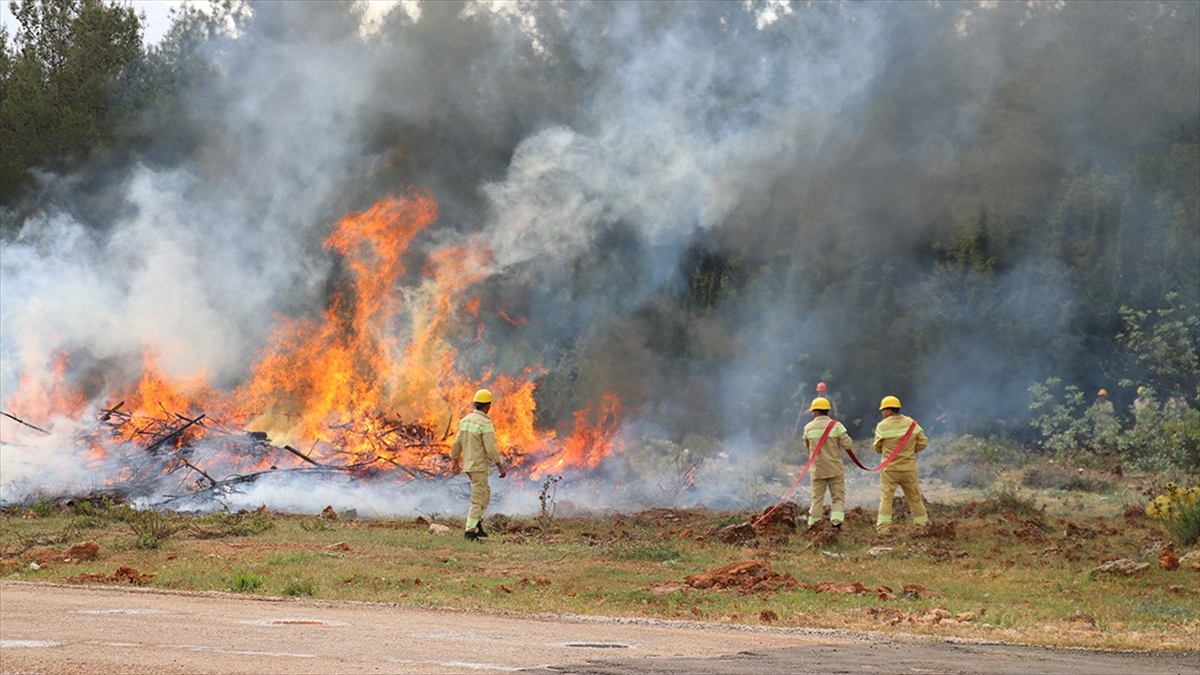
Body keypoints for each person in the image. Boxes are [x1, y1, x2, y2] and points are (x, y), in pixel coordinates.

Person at [449, 388, 507, 541]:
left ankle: (478, 524)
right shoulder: (485, 423)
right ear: (487, 406)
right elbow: (490, 447)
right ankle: (470, 532)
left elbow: (457, 443)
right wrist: (500, 465)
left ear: (475, 404)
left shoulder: (465, 421)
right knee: (478, 499)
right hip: (479, 466)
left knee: (485, 494)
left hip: (468, 465)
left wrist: (455, 461)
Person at [873, 395, 929, 533]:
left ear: (889, 411)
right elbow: (923, 442)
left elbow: (877, 447)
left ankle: (883, 530)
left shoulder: (882, 426)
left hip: (889, 470)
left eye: (883, 410)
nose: (882, 413)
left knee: (886, 499)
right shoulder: (911, 423)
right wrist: (910, 450)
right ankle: (922, 527)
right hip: (908, 469)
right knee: (915, 499)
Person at [803, 397, 852, 529]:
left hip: (817, 469)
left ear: (816, 412)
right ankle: (836, 524)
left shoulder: (808, 428)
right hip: (835, 469)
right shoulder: (837, 426)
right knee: (837, 498)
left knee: (816, 498)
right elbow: (848, 444)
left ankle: (813, 525)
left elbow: (808, 446)